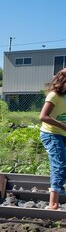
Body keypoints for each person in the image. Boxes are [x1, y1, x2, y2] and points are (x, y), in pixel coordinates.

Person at [39, 68, 66, 210]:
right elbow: (43, 116)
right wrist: (62, 125)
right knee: (59, 165)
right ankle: (53, 204)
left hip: (62, 134)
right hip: (51, 134)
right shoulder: (54, 95)